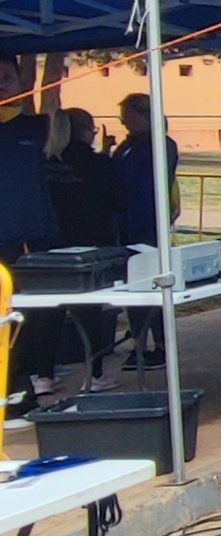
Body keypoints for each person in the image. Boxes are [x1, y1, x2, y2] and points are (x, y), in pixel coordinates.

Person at [43, 107, 125, 392]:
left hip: (52, 243)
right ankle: (96, 374)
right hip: (91, 244)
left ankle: (43, 376)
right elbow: (117, 200)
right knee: (89, 310)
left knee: (48, 310)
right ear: (85, 129)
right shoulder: (95, 163)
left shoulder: (46, 161)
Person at [0, 56, 59, 427]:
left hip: (28, 240)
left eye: (7, 77)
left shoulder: (34, 127)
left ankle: (23, 390)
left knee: (27, 318)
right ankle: (14, 392)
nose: (1, 84)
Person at [111, 92, 177, 372]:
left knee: (155, 286)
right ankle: (139, 343)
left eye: (129, 117)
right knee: (134, 290)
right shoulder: (127, 146)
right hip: (125, 226)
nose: (124, 123)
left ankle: (161, 345)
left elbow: (144, 183)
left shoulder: (162, 146)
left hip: (149, 225)